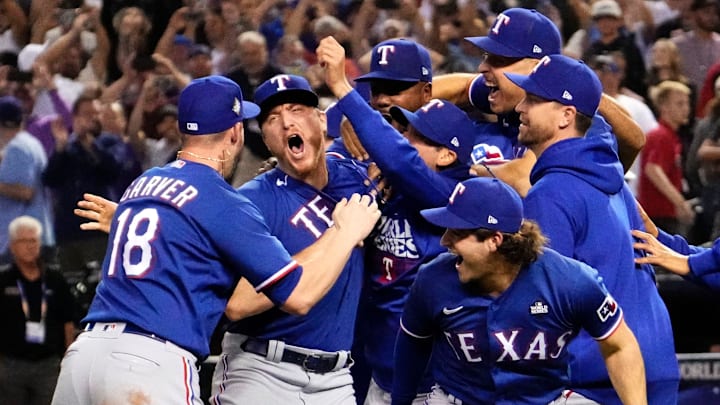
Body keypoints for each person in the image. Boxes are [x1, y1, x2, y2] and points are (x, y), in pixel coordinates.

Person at [50, 75, 381, 405]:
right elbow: (297, 296)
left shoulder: (146, 181)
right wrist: (344, 232)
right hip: (149, 362)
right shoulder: (226, 201)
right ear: (238, 133)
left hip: (85, 354)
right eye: (273, 117)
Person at [506, 54, 678, 404]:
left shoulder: (550, 193)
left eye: (535, 100)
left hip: (600, 375)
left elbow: (545, 309)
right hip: (656, 361)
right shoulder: (613, 181)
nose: (520, 107)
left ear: (567, 116)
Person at [318, 35, 477, 405]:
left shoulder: (453, 193)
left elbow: (403, 162)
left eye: (416, 136)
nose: (382, 99)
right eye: (376, 90)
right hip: (373, 364)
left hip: (434, 378)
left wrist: (343, 88)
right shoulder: (365, 148)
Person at [208, 74, 385, 405]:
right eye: (272, 119)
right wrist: (340, 235)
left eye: (296, 110)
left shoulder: (357, 179)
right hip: (262, 371)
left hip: (337, 377)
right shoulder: (252, 200)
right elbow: (238, 303)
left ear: (321, 120)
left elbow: (396, 109)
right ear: (267, 139)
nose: (286, 122)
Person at [392, 177, 647, 405]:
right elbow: (413, 342)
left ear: (494, 240)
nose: (445, 241)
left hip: (544, 400)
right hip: (456, 398)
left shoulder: (570, 281)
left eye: (457, 233)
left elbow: (620, 345)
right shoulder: (433, 279)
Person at [431, 7, 646, 196]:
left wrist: (581, 90)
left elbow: (524, 181)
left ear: (537, 66)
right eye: (486, 56)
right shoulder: (508, 92)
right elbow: (461, 87)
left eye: (500, 60)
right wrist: (400, 97)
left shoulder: (575, 120)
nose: (483, 67)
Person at [0, 215, 75, 405]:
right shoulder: (3, 280)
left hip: (49, 363)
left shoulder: (55, 279)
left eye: (34, 240)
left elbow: (68, 319)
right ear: (12, 246)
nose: (30, 246)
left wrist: (68, 358)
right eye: (24, 241)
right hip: (10, 364)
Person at [0, 95, 54, 265]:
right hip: (35, 235)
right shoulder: (31, 143)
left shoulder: (17, 147)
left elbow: (25, 192)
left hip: (22, 240)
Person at [638, 80, 695, 237]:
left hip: (664, 215)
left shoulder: (670, 136)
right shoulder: (661, 136)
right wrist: (680, 202)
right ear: (664, 107)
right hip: (659, 217)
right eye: (679, 104)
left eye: (687, 104)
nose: (686, 109)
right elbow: (652, 169)